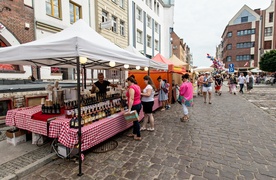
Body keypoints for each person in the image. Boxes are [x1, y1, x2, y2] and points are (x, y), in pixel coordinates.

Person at [126, 76, 142, 140]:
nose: (127, 83)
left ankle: (138, 135)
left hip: (134, 105)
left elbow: (131, 98)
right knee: (135, 120)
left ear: (129, 81)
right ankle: (134, 133)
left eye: (127, 81)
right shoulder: (137, 86)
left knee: (135, 121)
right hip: (138, 104)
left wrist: (129, 109)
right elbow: (138, 95)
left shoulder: (131, 88)